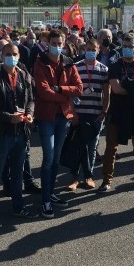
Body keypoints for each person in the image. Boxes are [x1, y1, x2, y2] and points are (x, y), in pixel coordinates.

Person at [0, 43, 38, 228]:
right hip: (2, 133)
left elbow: (30, 99)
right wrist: (7, 118)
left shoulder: (22, 74)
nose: (11, 57)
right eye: (7, 54)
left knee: (17, 173)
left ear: (19, 55)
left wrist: (29, 113)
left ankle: (18, 207)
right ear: (1, 55)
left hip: (20, 132)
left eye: (14, 54)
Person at [98, 33, 134, 193]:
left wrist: (129, 85)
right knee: (111, 146)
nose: (127, 49)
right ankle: (106, 180)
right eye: (124, 46)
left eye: (130, 47)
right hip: (118, 110)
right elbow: (116, 89)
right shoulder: (115, 66)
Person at [33, 29, 83, 218]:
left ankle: (51, 192)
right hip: (47, 117)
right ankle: (45, 199)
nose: (56, 47)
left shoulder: (69, 63)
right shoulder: (40, 63)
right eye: (53, 43)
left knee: (56, 159)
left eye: (59, 44)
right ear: (47, 44)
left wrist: (61, 89)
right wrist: (64, 97)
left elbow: (78, 88)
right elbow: (43, 91)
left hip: (64, 117)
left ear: (64, 44)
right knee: (48, 158)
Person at [65, 38, 109, 190]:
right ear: (84, 50)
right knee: (76, 146)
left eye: (93, 49)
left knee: (91, 147)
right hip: (79, 113)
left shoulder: (104, 69)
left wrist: (104, 111)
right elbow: (70, 92)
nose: (90, 52)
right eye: (88, 49)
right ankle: (74, 178)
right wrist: (72, 113)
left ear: (98, 50)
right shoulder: (76, 67)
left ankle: (88, 176)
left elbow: (107, 93)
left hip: (96, 114)